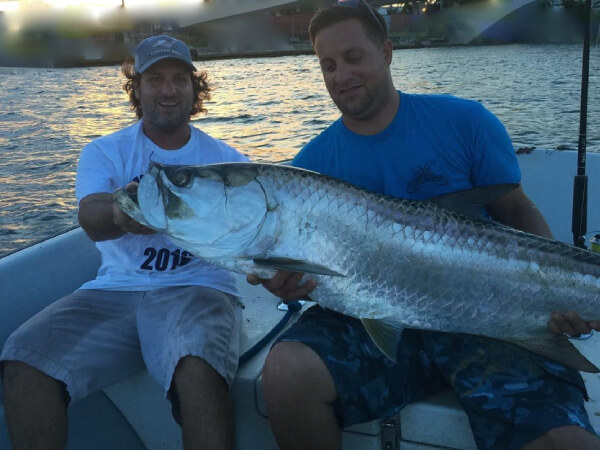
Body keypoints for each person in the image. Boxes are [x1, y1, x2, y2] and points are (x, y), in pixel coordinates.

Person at [248, 4, 600, 450]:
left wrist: (554, 297)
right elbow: (301, 270)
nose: (341, 76)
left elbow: (515, 210)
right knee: (285, 374)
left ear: (387, 52)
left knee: (561, 442)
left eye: (353, 57)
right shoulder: (310, 170)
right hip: (367, 318)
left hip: (488, 314)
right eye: (328, 65)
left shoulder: (464, 122)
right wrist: (287, 284)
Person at [1, 35, 247, 450]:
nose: (168, 90)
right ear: (137, 88)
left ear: (194, 88)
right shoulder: (104, 150)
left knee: (197, 366)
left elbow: (246, 235)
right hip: (114, 291)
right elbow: (92, 215)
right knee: (23, 356)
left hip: (198, 286)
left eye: (179, 80)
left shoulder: (228, 161)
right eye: (154, 80)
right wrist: (120, 213)